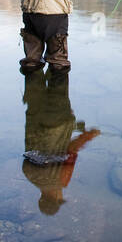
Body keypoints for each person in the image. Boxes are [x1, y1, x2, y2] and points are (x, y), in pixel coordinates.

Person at [21, 70, 99, 215]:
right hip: (34, 115)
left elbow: (72, 150)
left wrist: (89, 135)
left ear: (56, 197)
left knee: (59, 74)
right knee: (36, 71)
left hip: (59, 120)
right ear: (41, 197)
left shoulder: (61, 180)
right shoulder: (28, 174)